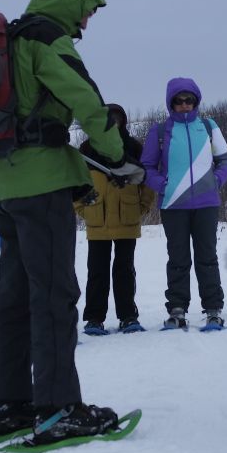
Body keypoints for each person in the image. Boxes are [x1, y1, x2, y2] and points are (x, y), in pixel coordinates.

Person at [0, 0, 144, 444]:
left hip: (5, 185)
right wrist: (115, 154)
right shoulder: (48, 41)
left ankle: (9, 405)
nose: (88, 21)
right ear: (72, 1)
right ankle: (57, 409)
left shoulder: (8, 41)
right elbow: (86, 101)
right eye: (88, 9)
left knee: (13, 297)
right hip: (42, 186)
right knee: (54, 296)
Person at [140, 78, 227, 330]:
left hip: (206, 204)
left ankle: (213, 309)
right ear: (171, 103)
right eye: (179, 101)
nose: (184, 105)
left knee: (207, 258)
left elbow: (225, 160)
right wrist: (162, 185)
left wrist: (216, 181)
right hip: (173, 205)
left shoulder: (208, 126)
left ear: (196, 101)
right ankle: (177, 310)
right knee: (178, 259)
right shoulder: (159, 131)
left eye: (189, 100)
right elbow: (147, 167)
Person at [76, 103, 155, 335]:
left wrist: (140, 207)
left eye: (117, 118)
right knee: (97, 271)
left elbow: (147, 182)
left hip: (127, 221)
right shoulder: (87, 149)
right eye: (108, 118)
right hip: (97, 221)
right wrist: (83, 209)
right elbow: (75, 182)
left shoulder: (134, 148)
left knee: (125, 271)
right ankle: (94, 319)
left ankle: (128, 316)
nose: (113, 122)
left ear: (123, 121)